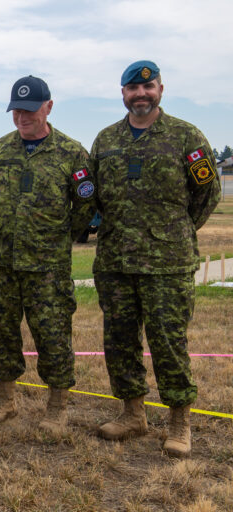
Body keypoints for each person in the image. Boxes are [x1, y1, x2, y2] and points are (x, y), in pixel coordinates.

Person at [91, 61, 221, 457]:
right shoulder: (106, 139)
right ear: (123, 94)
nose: (140, 94)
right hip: (115, 261)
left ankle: (180, 421)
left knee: (168, 342)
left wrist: (175, 232)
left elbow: (207, 193)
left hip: (167, 264)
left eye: (147, 88)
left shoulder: (186, 136)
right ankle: (133, 413)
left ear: (160, 90)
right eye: (133, 89)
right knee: (120, 342)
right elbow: (94, 196)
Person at [0, 76, 96, 434]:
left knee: (53, 334)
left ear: (48, 107)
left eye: (29, 110)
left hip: (47, 266)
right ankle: (5, 400)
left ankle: (57, 406)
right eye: (16, 110)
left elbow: (85, 204)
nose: (21, 117)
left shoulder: (71, 153)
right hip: (3, 262)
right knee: (1, 332)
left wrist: (57, 235)